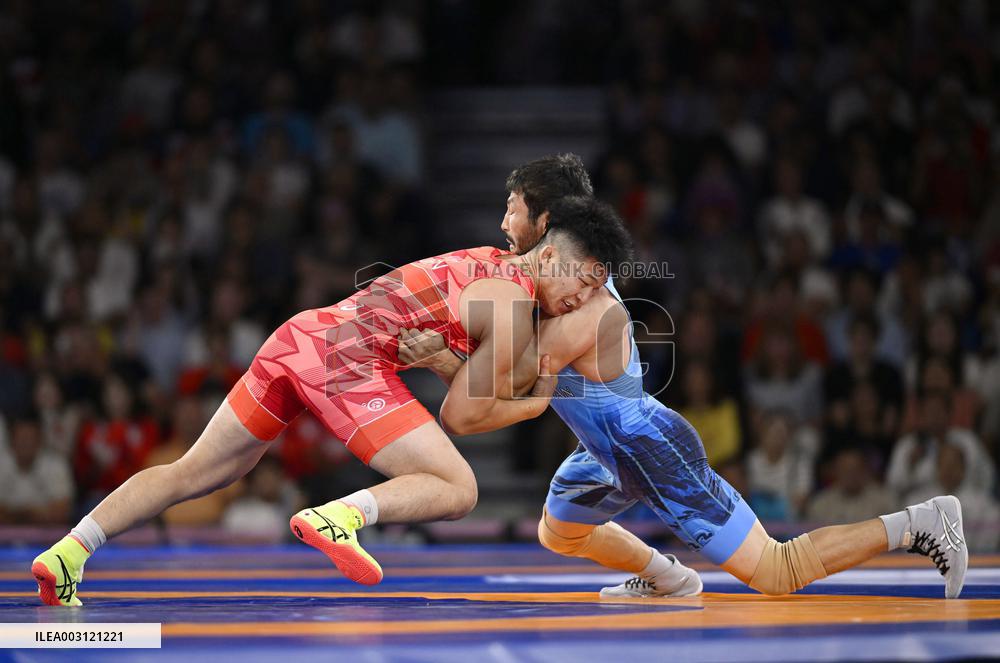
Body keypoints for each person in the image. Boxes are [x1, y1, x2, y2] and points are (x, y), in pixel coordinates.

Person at [399, 153, 968, 601]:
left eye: (512, 207)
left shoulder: (581, 306)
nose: (503, 221)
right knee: (558, 531)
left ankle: (920, 523)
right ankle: (666, 576)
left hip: (650, 446)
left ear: (545, 223)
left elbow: (506, 391)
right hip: (606, 451)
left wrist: (442, 358)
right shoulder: (547, 285)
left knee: (776, 569)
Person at [31, 194, 633, 606]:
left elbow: (459, 376)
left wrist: (455, 365)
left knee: (196, 471)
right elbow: (464, 416)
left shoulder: (485, 263)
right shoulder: (511, 302)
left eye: (592, 295)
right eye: (581, 283)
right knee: (459, 490)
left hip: (303, 335)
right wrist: (538, 401)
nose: (578, 303)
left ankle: (69, 551)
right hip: (347, 362)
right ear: (550, 253)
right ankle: (338, 516)